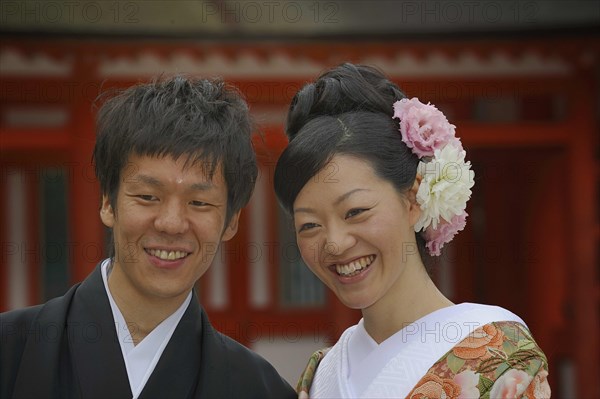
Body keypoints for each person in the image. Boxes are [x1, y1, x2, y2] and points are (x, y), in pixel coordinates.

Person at [1, 76, 296, 398]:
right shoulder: (11, 350)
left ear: (231, 222)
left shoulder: (259, 389)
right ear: (108, 203)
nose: (171, 224)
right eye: (147, 196)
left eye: (199, 202)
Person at [274, 63, 551, 398]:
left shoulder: (500, 355)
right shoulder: (320, 374)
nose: (334, 243)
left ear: (414, 197)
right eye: (309, 225)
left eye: (356, 211)